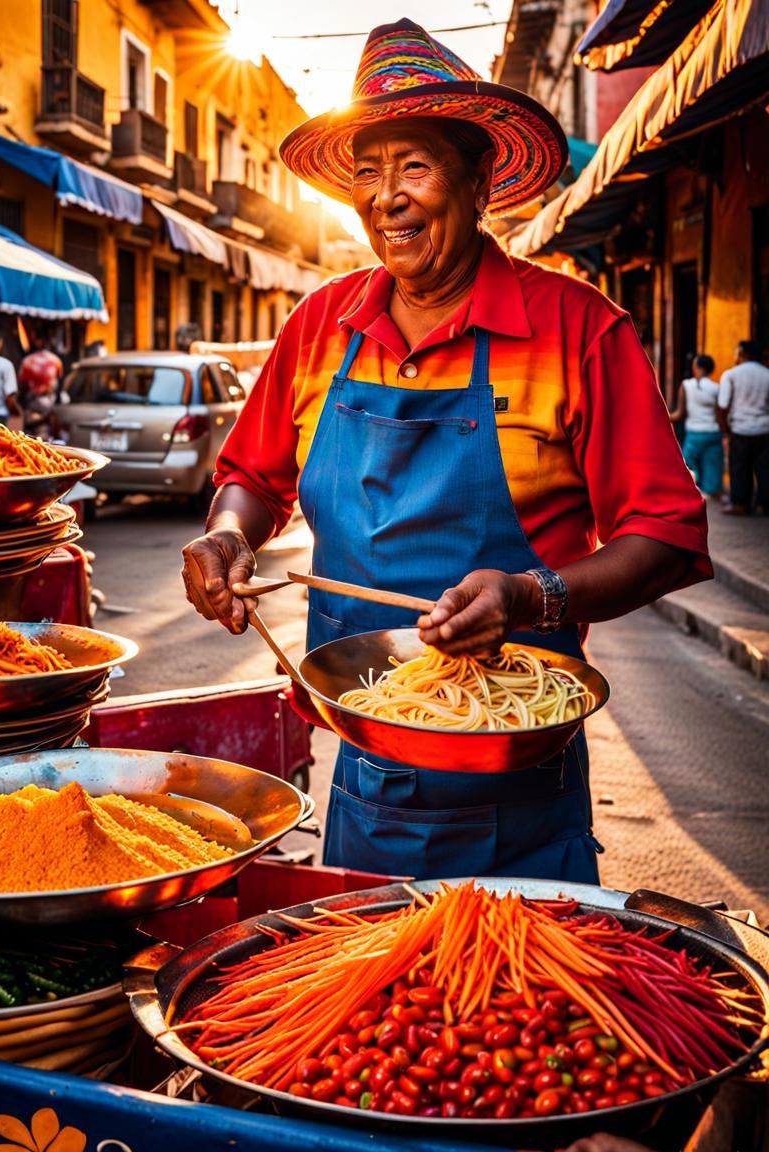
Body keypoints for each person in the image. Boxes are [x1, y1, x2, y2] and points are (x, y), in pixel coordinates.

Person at [180, 19, 711, 885]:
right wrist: (231, 536)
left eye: (414, 166)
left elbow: (667, 536)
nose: (386, 196)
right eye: (368, 171)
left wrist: (534, 595)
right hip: (365, 755)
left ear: (479, 180)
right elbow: (250, 477)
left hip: (520, 784)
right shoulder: (321, 323)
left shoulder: (578, 330)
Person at [717, 339, 769, 514]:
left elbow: (722, 406)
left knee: (739, 468)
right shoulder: (767, 374)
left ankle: (741, 503)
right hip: (764, 429)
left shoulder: (731, 375)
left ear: (742, 353)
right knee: (764, 469)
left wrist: (725, 431)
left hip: (739, 429)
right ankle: (764, 505)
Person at [668, 354, 723, 497]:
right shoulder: (716, 388)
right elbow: (719, 415)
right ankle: (709, 492)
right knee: (712, 465)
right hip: (713, 433)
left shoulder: (686, 385)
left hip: (694, 434)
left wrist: (663, 418)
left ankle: (693, 490)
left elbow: (680, 414)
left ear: (698, 367)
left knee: (689, 464)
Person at [18, 333, 64, 438]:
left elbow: (22, 386)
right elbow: (59, 384)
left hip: (32, 404)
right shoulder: (56, 360)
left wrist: (22, 405)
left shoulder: (27, 361)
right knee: (46, 437)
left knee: (29, 438)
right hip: (48, 403)